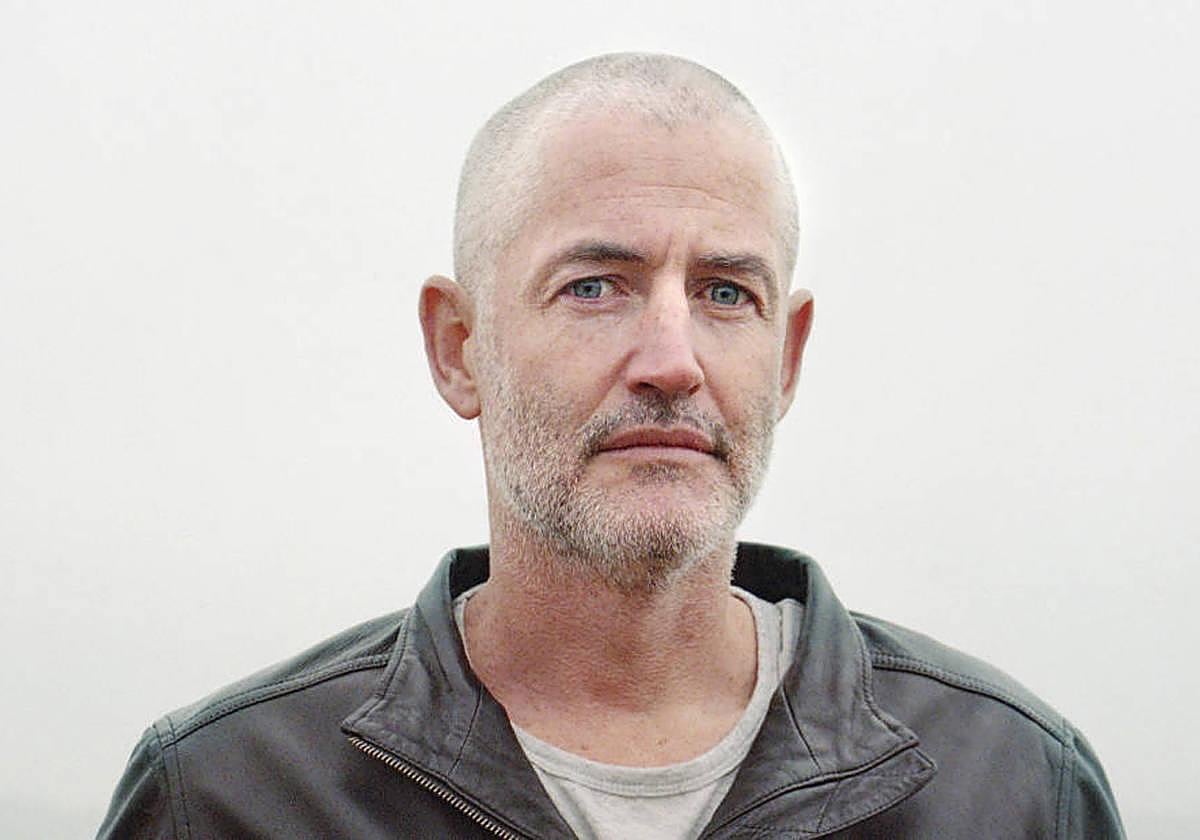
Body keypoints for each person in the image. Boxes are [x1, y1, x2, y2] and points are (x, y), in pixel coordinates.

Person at [98, 53, 1124, 839]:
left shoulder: (1013, 788)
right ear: (459, 349)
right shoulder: (228, 797)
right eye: (595, 286)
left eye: (727, 293)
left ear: (787, 358)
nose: (672, 361)